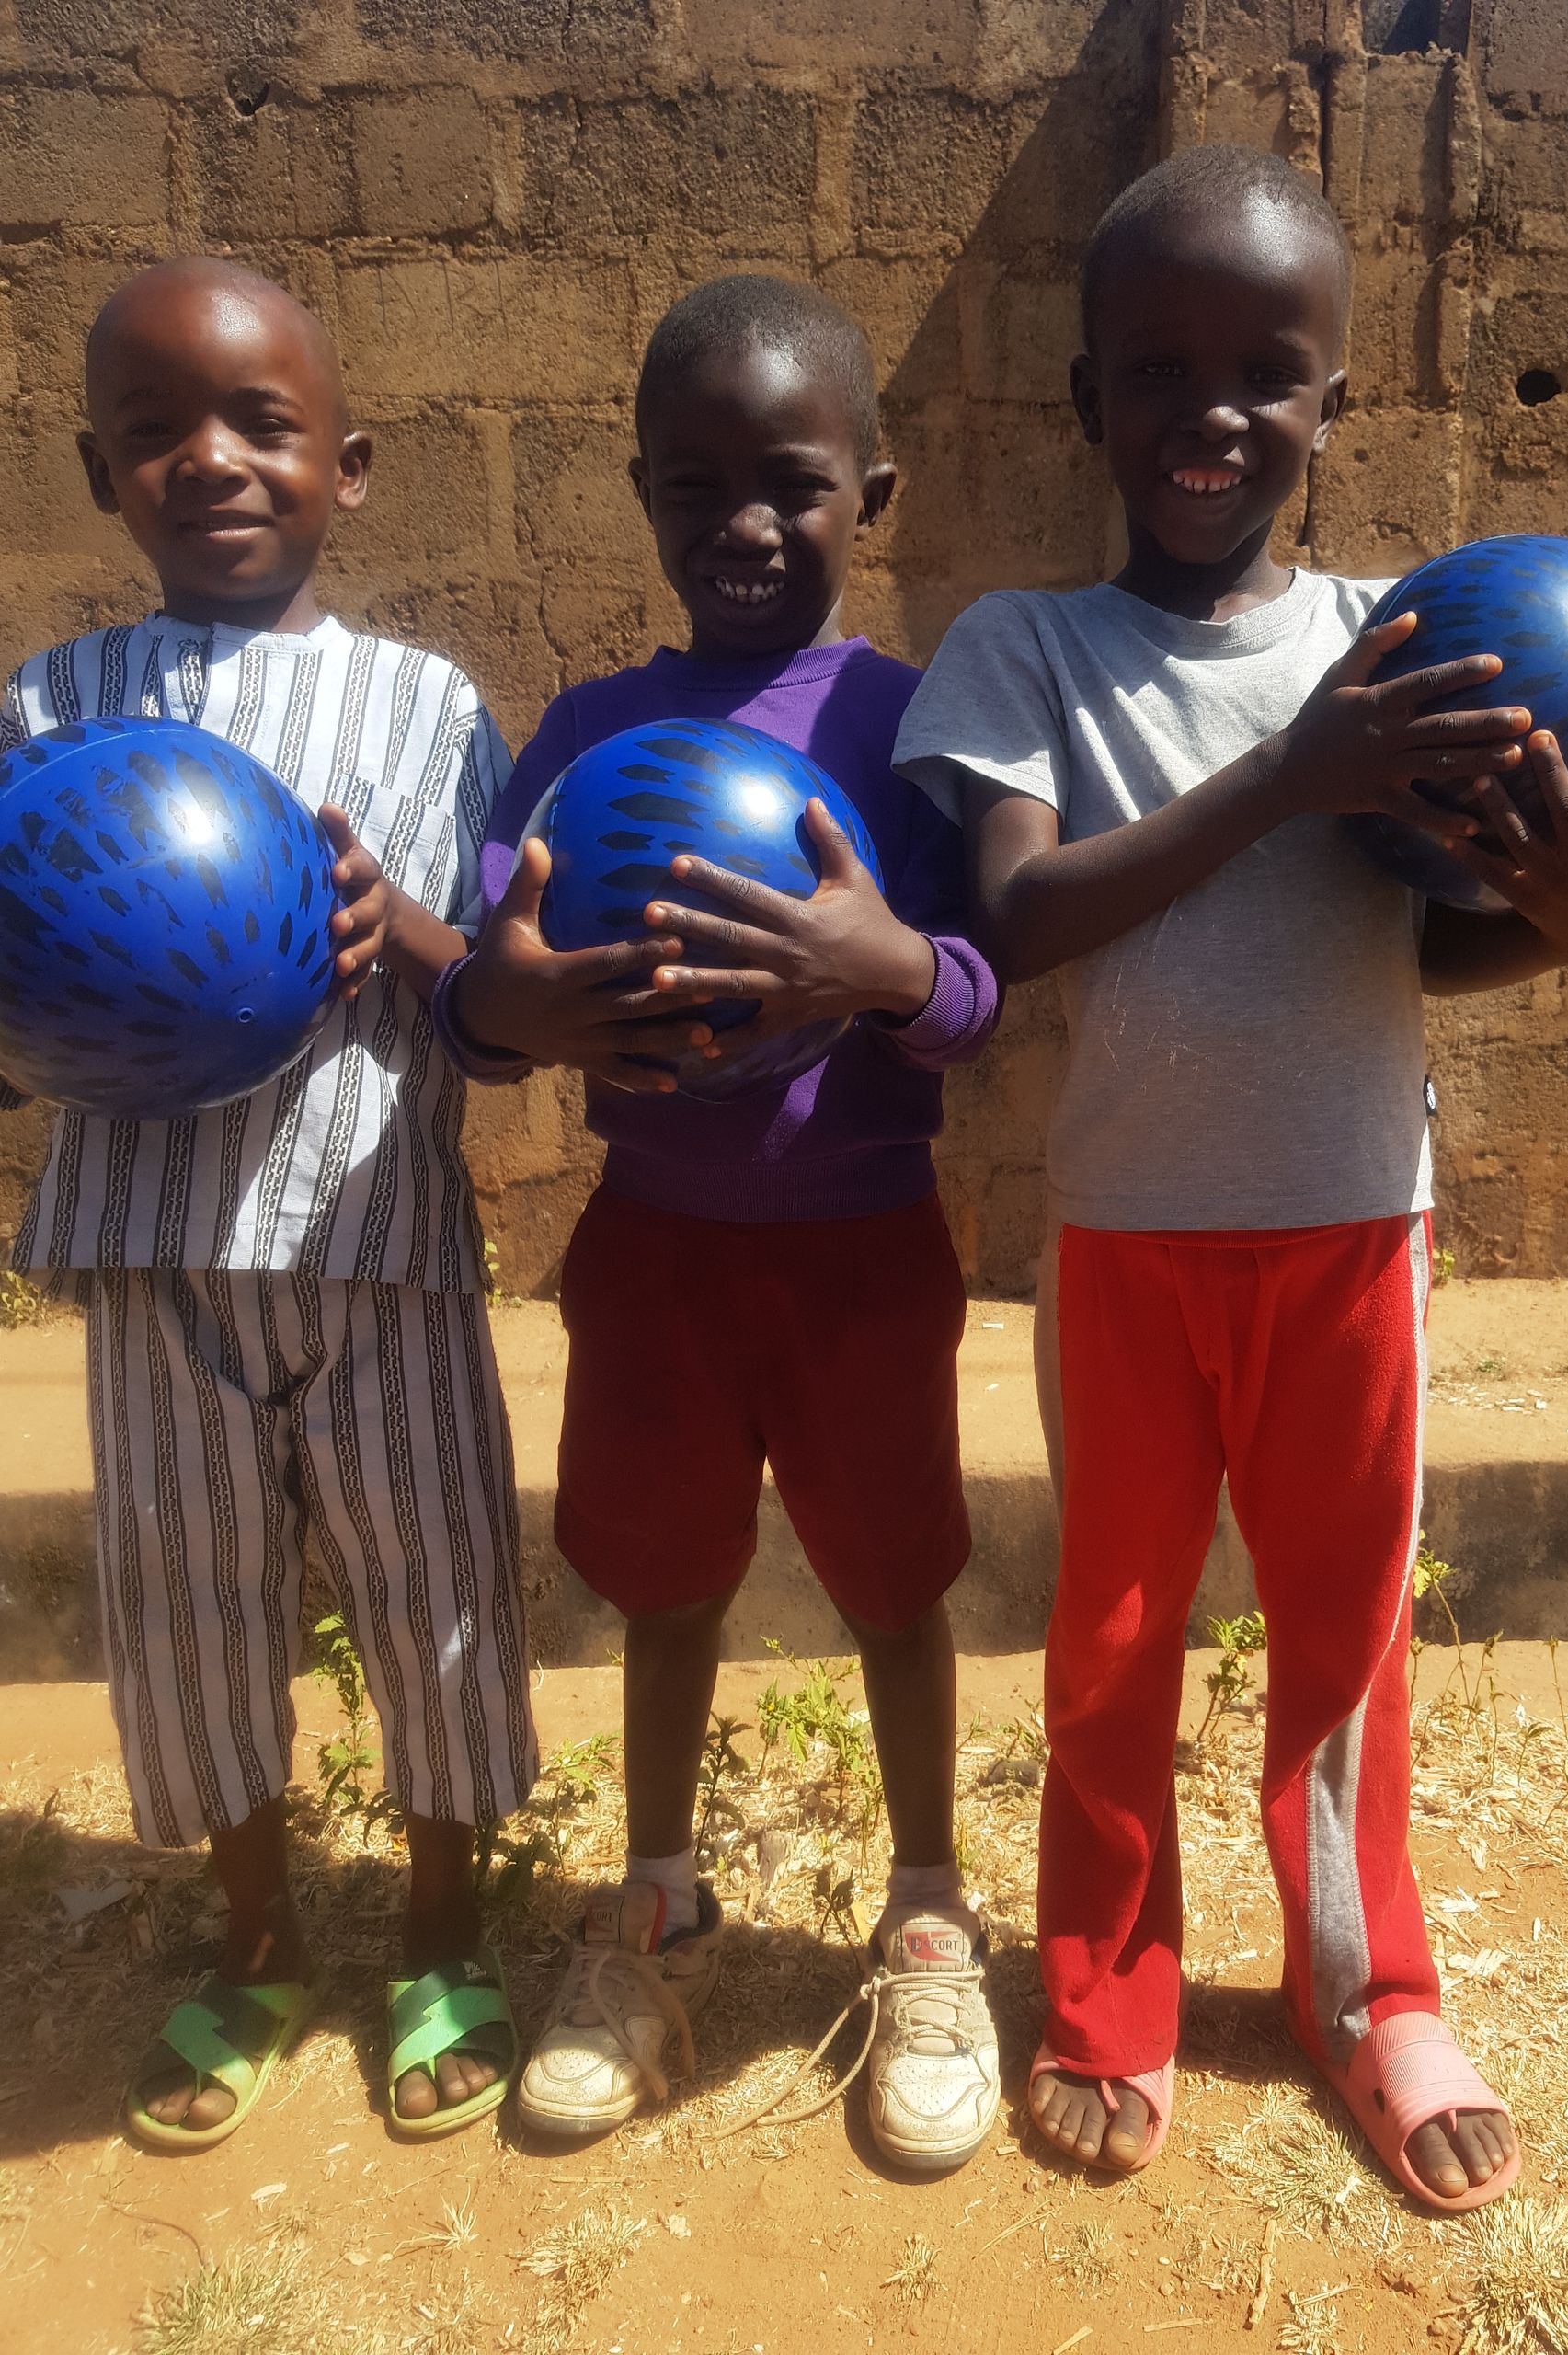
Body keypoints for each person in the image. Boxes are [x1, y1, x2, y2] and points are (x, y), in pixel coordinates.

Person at [893, 145, 1568, 2211]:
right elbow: (1020, 920)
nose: (1214, 410)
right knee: (1113, 1635)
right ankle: (1108, 1988)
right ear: (1085, 396)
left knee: (1345, 1643)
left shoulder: (1402, 639)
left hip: (1353, 1230)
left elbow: (1427, 939)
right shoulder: (1025, 647)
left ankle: (1367, 1988)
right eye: (1159, 366)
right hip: (1129, 1242)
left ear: (1338, 400)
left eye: (1270, 368)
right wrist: (1286, 772)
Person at [0, 258, 687, 2149]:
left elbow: (488, 1009)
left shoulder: (428, 704)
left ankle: (441, 1934)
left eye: (262, 424)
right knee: (188, 1607)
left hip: (378, 1243)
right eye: (156, 432)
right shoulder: (54, 705)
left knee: (436, 1593)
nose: (212, 460)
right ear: (100, 475)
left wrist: (407, 932)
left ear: (349, 465)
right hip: (151, 1252)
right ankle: (253, 1942)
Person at [431, 272, 1003, 2173]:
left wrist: (886, 966)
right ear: (641, 496)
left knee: (896, 1588)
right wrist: (507, 1005)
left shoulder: (909, 728)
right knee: (666, 1586)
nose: (744, 524)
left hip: (864, 1252)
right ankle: (657, 1902)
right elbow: (487, 988)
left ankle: (926, 1909)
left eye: (793, 483)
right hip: (658, 1250)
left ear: (873, 492)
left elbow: (980, 995)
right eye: (696, 486)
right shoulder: (591, 731)